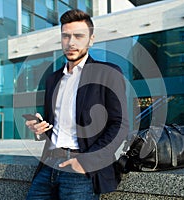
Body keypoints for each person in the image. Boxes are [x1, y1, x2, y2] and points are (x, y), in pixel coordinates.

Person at [25, 9, 128, 200]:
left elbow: (120, 124)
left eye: (78, 36)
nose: (71, 42)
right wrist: (39, 128)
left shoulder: (107, 73)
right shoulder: (52, 79)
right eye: (66, 36)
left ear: (91, 40)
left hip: (80, 167)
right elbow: (55, 126)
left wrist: (87, 162)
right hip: (48, 165)